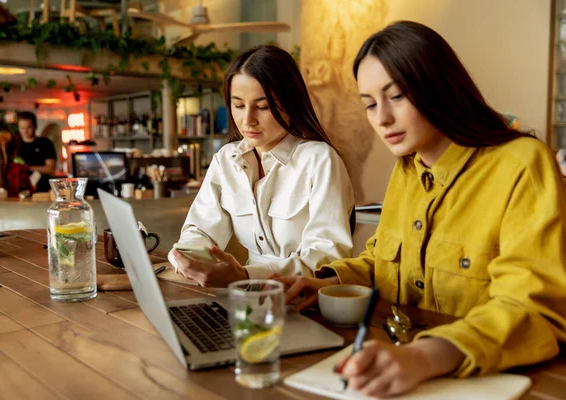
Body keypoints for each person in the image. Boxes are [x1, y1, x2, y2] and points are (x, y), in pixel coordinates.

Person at [276, 21, 566, 398]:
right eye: (369, 104)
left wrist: (424, 357)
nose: (381, 118)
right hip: (398, 366)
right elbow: (382, 261)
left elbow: (532, 309)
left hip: (493, 381)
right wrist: (328, 284)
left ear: (438, 87)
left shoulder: (522, 165)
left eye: (396, 96)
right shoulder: (408, 169)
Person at [168, 45, 355, 287]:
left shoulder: (320, 160)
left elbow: (326, 260)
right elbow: (200, 230)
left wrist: (246, 275)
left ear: (290, 102)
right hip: (247, 294)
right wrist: (188, 257)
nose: (248, 120)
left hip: (306, 297)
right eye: (238, 105)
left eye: (263, 106)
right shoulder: (226, 159)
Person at [17, 111, 57, 192]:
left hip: (42, 188)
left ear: (35, 127)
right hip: (19, 188)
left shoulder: (45, 143)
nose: (25, 131)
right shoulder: (14, 144)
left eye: (28, 127)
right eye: (22, 128)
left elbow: (51, 168)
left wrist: (27, 167)